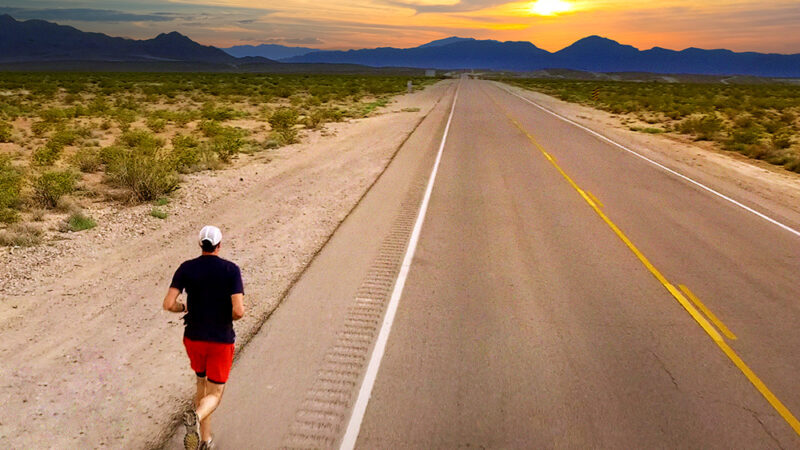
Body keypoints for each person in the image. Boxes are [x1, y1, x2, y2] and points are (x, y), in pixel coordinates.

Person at [162, 225, 245, 450]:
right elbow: (238, 311)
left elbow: (168, 304)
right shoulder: (231, 270)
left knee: (202, 384)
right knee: (215, 393)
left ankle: (205, 441)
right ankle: (196, 418)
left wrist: (184, 308)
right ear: (219, 245)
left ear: (201, 245)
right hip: (219, 340)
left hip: (193, 339)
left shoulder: (186, 268)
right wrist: (221, 315)